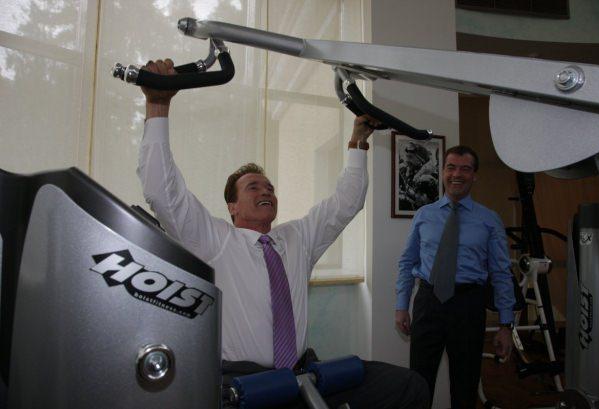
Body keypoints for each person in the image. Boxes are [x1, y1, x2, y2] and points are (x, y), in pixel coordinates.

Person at [138, 59, 429, 409]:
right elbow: (163, 192)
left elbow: (346, 202)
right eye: (253, 187)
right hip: (244, 381)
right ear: (232, 206)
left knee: (408, 386)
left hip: (302, 373)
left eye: (270, 188)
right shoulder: (214, 240)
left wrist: (358, 142)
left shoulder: (297, 238)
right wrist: (158, 106)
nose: (266, 191)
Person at [394, 145, 515, 408]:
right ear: (443, 172)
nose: (457, 174)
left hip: (468, 306)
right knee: (419, 383)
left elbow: (501, 274)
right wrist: (401, 306)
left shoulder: (489, 220)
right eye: (451, 167)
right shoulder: (424, 215)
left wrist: (506, 325)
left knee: (465, 385)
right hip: (428, 303)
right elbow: (407, 262)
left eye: (465, 169)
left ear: (474, 175)